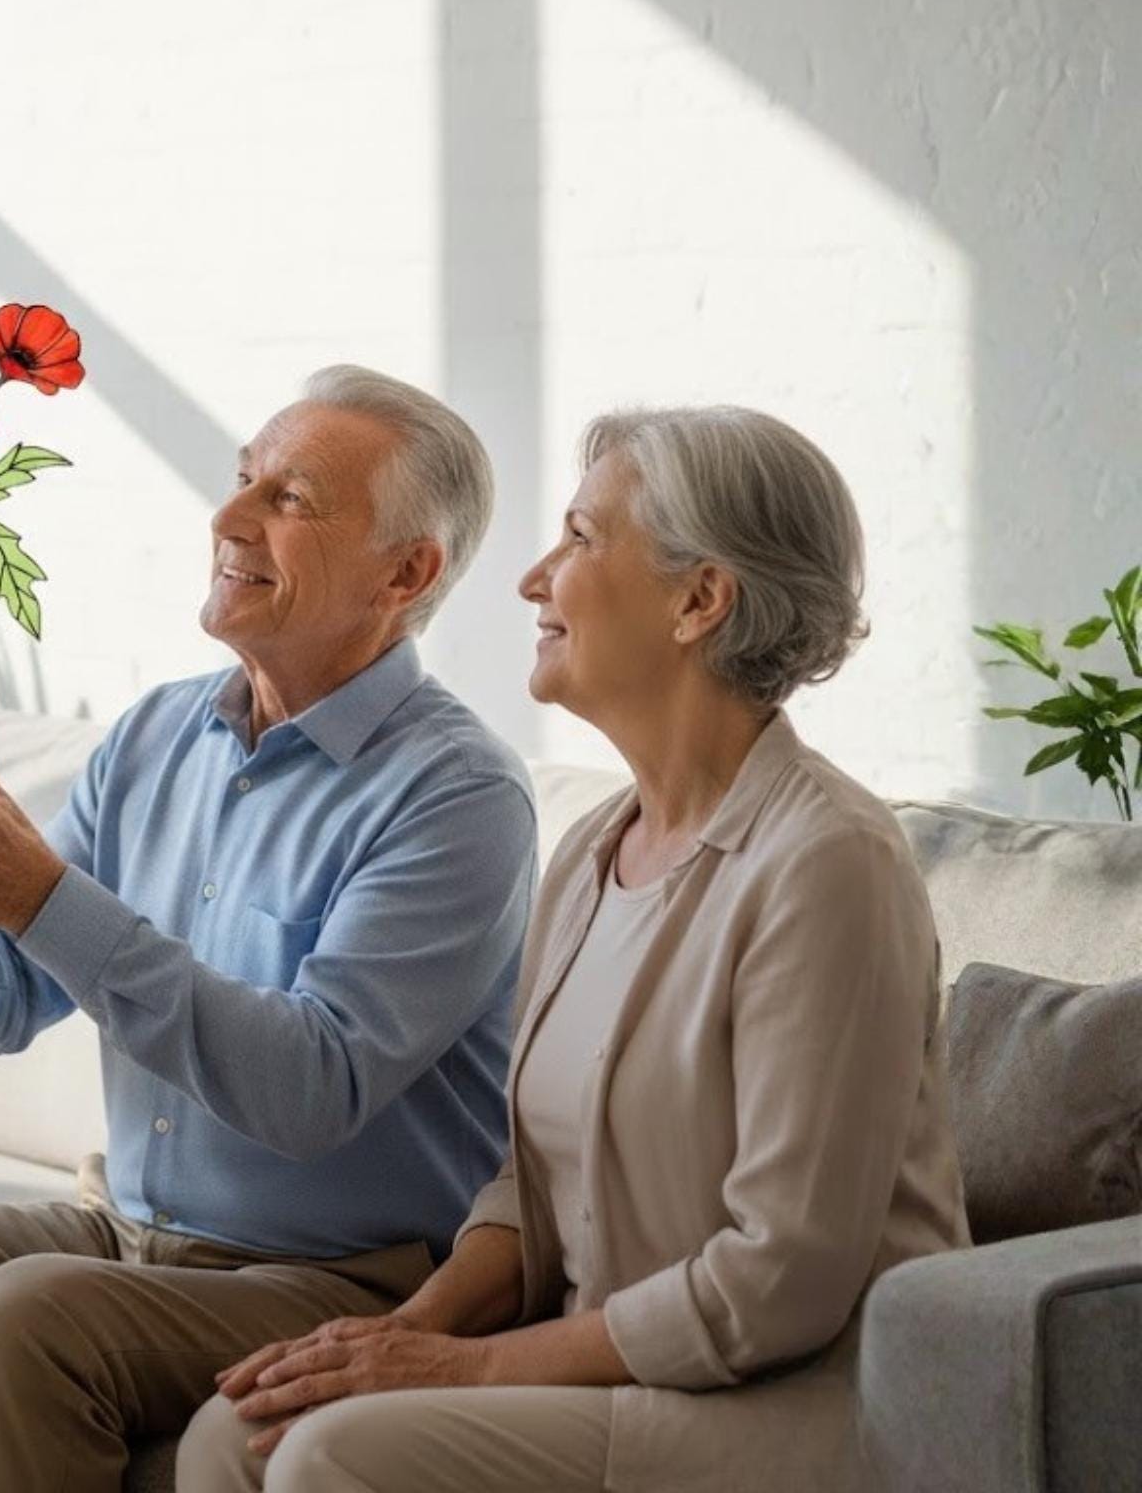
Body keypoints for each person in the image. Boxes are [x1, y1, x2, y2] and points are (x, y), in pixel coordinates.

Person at [0, 366, 539, 1493]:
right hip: (128, 1229)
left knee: (32, 1313)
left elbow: (309, 1086)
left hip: (344, 1275)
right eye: (242, 481)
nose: (227, 519)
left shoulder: (458, 793)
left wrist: (37, 893)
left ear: (406, 570)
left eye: (288, 499)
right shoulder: (154, 737)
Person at [180, 406, 968, 1493]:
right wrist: (387, 1340)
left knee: (323, 1454)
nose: (531, 578)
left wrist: (465, 1368)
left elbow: (777, 1278)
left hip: (803, 1399)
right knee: (239, 1429)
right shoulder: (592, 850)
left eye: (581, 537)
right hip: (609, 1370)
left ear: (698, 599)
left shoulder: (827, 863)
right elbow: (524, 1188)